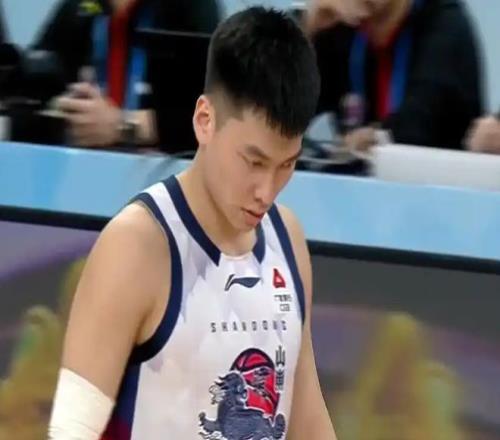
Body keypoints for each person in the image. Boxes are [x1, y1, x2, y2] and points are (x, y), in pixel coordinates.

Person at [49, 7, 338, 440]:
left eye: (286, 165)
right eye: (254, 161)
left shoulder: (287, 239)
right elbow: (70, 431)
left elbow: (307, 421)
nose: (266, 190)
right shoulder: (136, 246)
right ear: (205, 120)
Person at [33, 0, 220, 150]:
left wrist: (121, 126)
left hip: (162, 174)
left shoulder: (192, 8)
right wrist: (61, 109)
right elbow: (33, 90)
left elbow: (215, 115)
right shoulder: (79, 9)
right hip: (83, 168)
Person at [307, 0, 483, 151]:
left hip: (434, 176)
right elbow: (294, 111)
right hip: (355, 178)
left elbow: (419, 123)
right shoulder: (341, 26)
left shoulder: (445, 23)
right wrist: (308, 34)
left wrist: (374, 139)